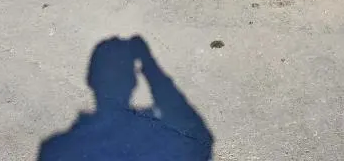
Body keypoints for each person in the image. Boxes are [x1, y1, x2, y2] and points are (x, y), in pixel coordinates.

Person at [38, 35, 213, 160]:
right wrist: (150, 66)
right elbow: (201, 140)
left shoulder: (54, 150)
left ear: (90, 81)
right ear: (134, 83)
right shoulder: (161, 142)